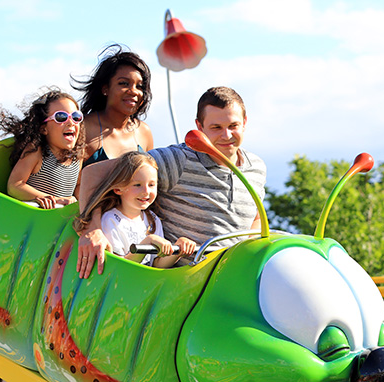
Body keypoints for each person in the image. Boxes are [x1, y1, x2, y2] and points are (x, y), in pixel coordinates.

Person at [76, 86, 267, 278]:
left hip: (236, 277)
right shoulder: (178, 160)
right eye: (216, 127)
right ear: (199, 127)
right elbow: (93, 173)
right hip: (183, 284)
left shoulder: (257, 168)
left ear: (244, 123)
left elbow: (256, 218)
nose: (226, 135)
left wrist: (249, 250)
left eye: (233, 126)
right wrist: (92, 229)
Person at [74, 151, 195, 268]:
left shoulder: (153, 220)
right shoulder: (110, 220)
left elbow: (156, 263)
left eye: (152, 185)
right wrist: (147, 243)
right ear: (118, 189)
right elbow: (118, 267)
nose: (146, 192)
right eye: (137, 185)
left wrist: (178, 249)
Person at [0, 88, 84, 209]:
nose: (71, 123)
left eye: (76, 117)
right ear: (44, 129)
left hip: (59, 220)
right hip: (36, 217)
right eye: (61, 117)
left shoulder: (77, 156)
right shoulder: (36, 151)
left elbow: (78, 185)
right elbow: (14, 185)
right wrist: (45, 197)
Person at [71, 44, 154, 167]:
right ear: (105, 88)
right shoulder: (82, 128)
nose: (134, 91)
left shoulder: (143, 131)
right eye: (124, 83)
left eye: (139, 86)